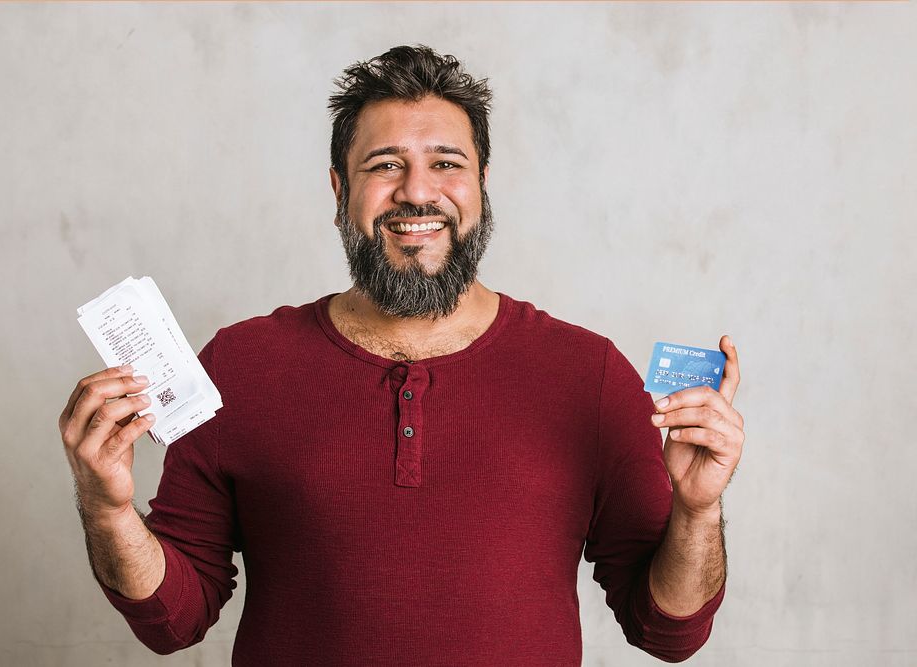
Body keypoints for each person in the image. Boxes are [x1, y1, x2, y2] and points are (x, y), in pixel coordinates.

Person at [59, 45, 745, 665]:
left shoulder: (587, 375)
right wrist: (108, 509)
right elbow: (171, 623)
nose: (418, 191)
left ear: (481, 182)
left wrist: (696, 512)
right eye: (385, 166)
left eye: (446, 164)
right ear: (339, 190)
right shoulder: (242, 364)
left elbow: (668, 632)